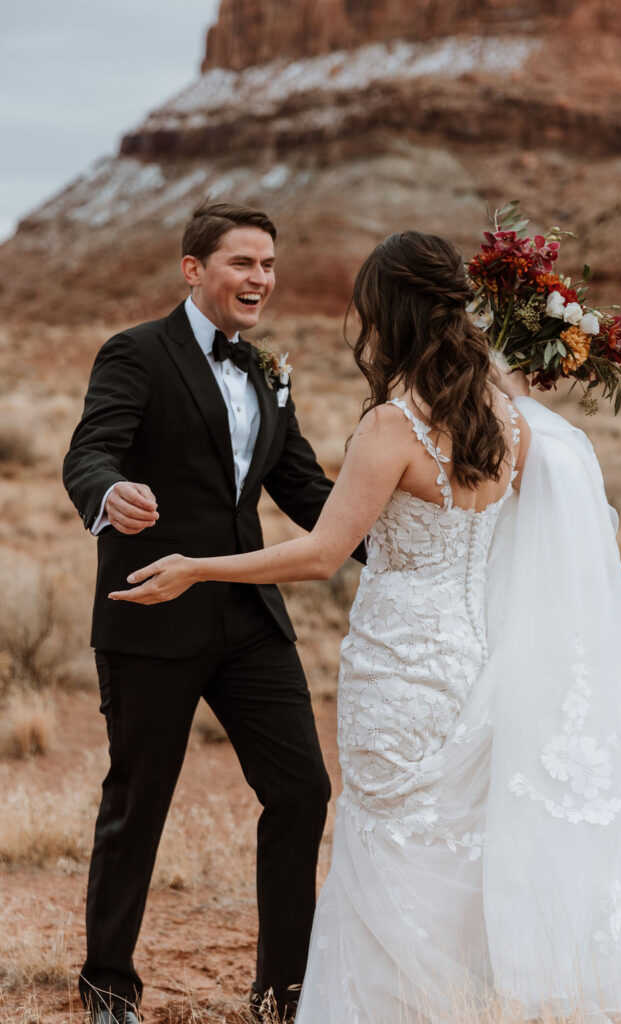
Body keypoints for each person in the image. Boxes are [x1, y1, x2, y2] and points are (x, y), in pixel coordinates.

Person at [111, 231, 621, 1023]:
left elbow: (323, 554)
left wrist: (197, 567)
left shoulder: (391, 427)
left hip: (399, 666)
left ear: (388, 315)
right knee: (457, 842)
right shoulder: (512, 421)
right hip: (475, 656)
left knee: (389, 845)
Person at [63, 200, 364, 1024]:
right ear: (193, 269)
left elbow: (301, 487)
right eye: (242, 262)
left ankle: (283, 989)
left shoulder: (268, 369)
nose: (258, 279)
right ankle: (108, 989)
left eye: (267, 264)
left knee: (302, 790)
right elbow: (90, 449)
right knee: (139, 802)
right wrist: (107, 492)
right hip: (152, 611)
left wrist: (397, 548)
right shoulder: (136, 353)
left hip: (249, 621)